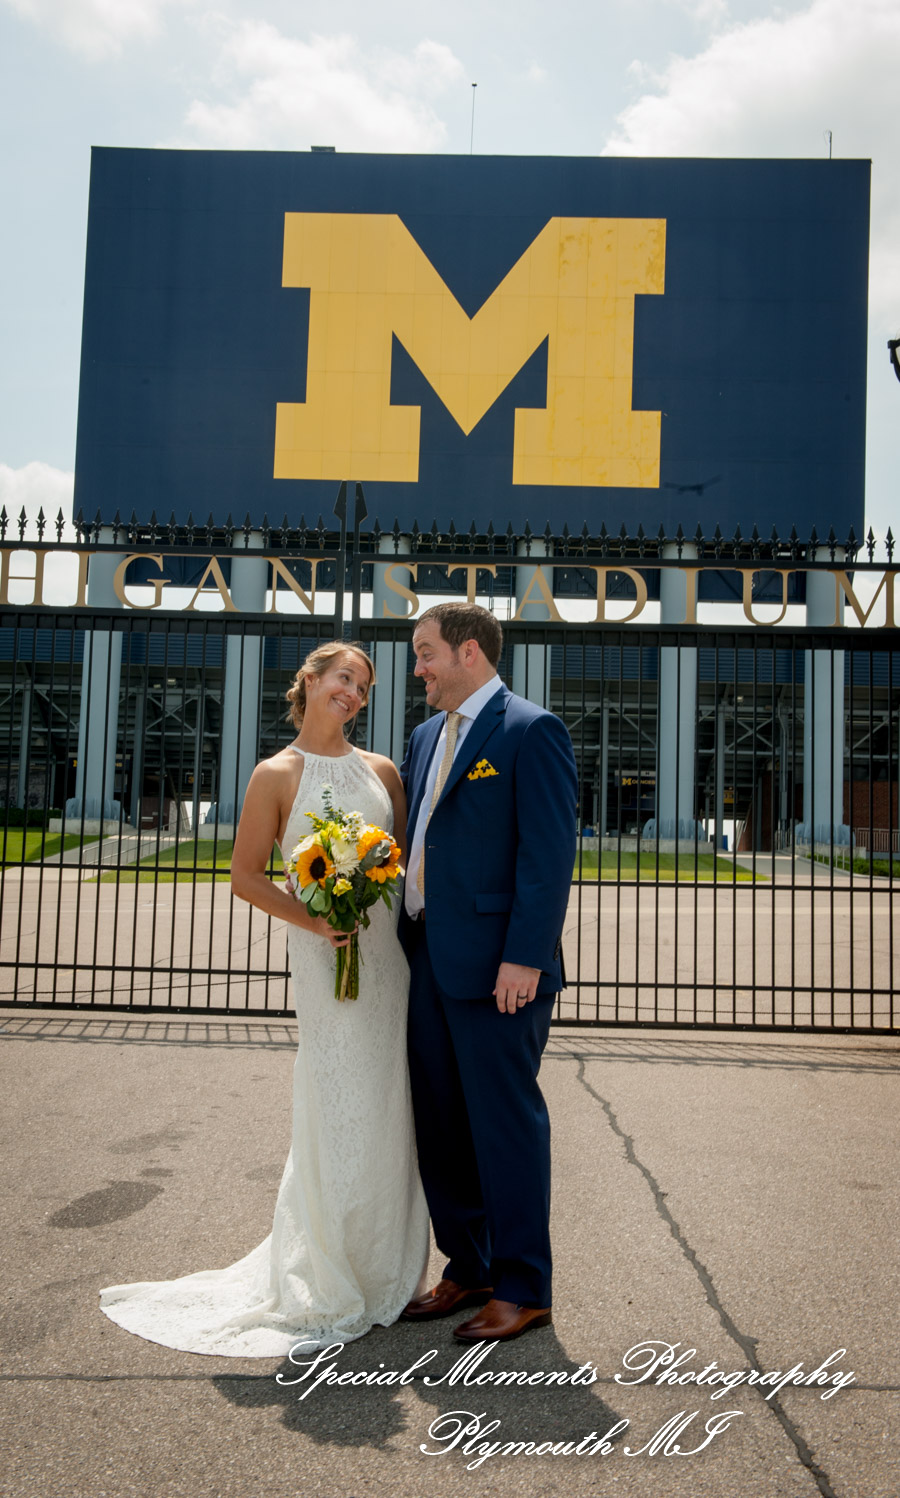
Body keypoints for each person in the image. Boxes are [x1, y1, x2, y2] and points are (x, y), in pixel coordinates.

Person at [99, 642, 429, 1356]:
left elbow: (402, 863)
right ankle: (331, 1269)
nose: (355, 694)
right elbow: (245, 876)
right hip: (322, 960)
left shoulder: (383, 771)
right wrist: (317, 918)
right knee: (337, 1098)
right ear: (308, 681)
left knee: (389, 1100)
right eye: (345, 678)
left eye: (365, 687)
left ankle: (386, 1266)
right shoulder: (276, 774)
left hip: (385, 963)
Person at [398, 602, 578, 1343]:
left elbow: (547, 854)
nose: (419, 669)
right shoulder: (422, 736)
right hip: (425, 959)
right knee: (441, 1124)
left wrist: (525, 957)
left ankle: (523, 1285)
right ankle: (466, 1266)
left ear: (469, 651)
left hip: (501, 969)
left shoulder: (530, 730)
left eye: (425, 653)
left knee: (504, 1128)